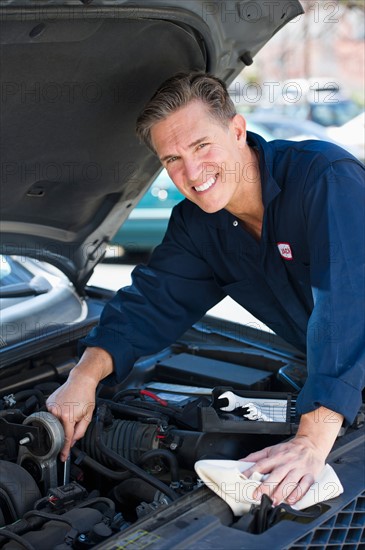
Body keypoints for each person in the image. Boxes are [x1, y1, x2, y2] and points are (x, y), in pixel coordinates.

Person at [47, 72, 365, 507]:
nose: (191, 172)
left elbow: (346, 308)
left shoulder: (325, 180)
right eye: (172, 159)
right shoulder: (199, 227)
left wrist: (311, 439)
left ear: (237, 130)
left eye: (201, 146)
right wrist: (84, 377)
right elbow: (149, 304)